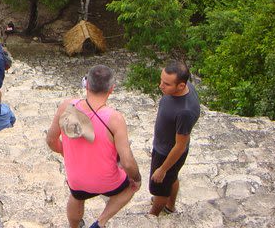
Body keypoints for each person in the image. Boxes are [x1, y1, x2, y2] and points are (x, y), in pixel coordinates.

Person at [46, 65, 141, 228]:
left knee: (76, 196)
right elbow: (127, 162)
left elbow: (50, 140)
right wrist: (137, 178)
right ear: (111, 89)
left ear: (87, 85)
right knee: (131, 187)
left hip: (77, 179)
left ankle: (73, 226)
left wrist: (66, 152)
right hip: (108, 181)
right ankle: (101, 222)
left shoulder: (67, 107)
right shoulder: (114, 119)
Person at [149, 60, 201, 216]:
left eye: (166, 84)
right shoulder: (185, 87)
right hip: (163, 146)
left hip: (167, 154)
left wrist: (163, 169)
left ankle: (153, 215)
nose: (161, 86)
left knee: (160, 189)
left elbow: (180, 146)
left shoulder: (185, 112)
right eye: (161, 80)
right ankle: (170, 207)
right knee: (172, 178)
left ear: (181, 86)